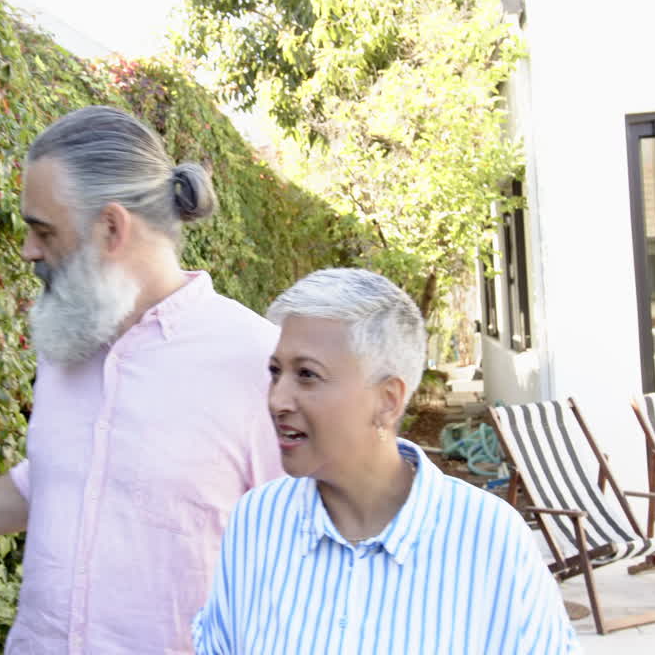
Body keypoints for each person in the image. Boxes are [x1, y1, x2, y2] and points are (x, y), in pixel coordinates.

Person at [0, 106, 284, 654]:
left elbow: (304, 558)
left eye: (43, 230)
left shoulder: (259, 363)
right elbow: (54, 486)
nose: (28, 251)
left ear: (111, 227)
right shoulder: (71, 342)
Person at [191, 269, 580, 654]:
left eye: (307, 374)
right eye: (276, 372)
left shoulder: (490, 539)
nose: (278, 399)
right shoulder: (256, 523)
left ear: (388, 400)